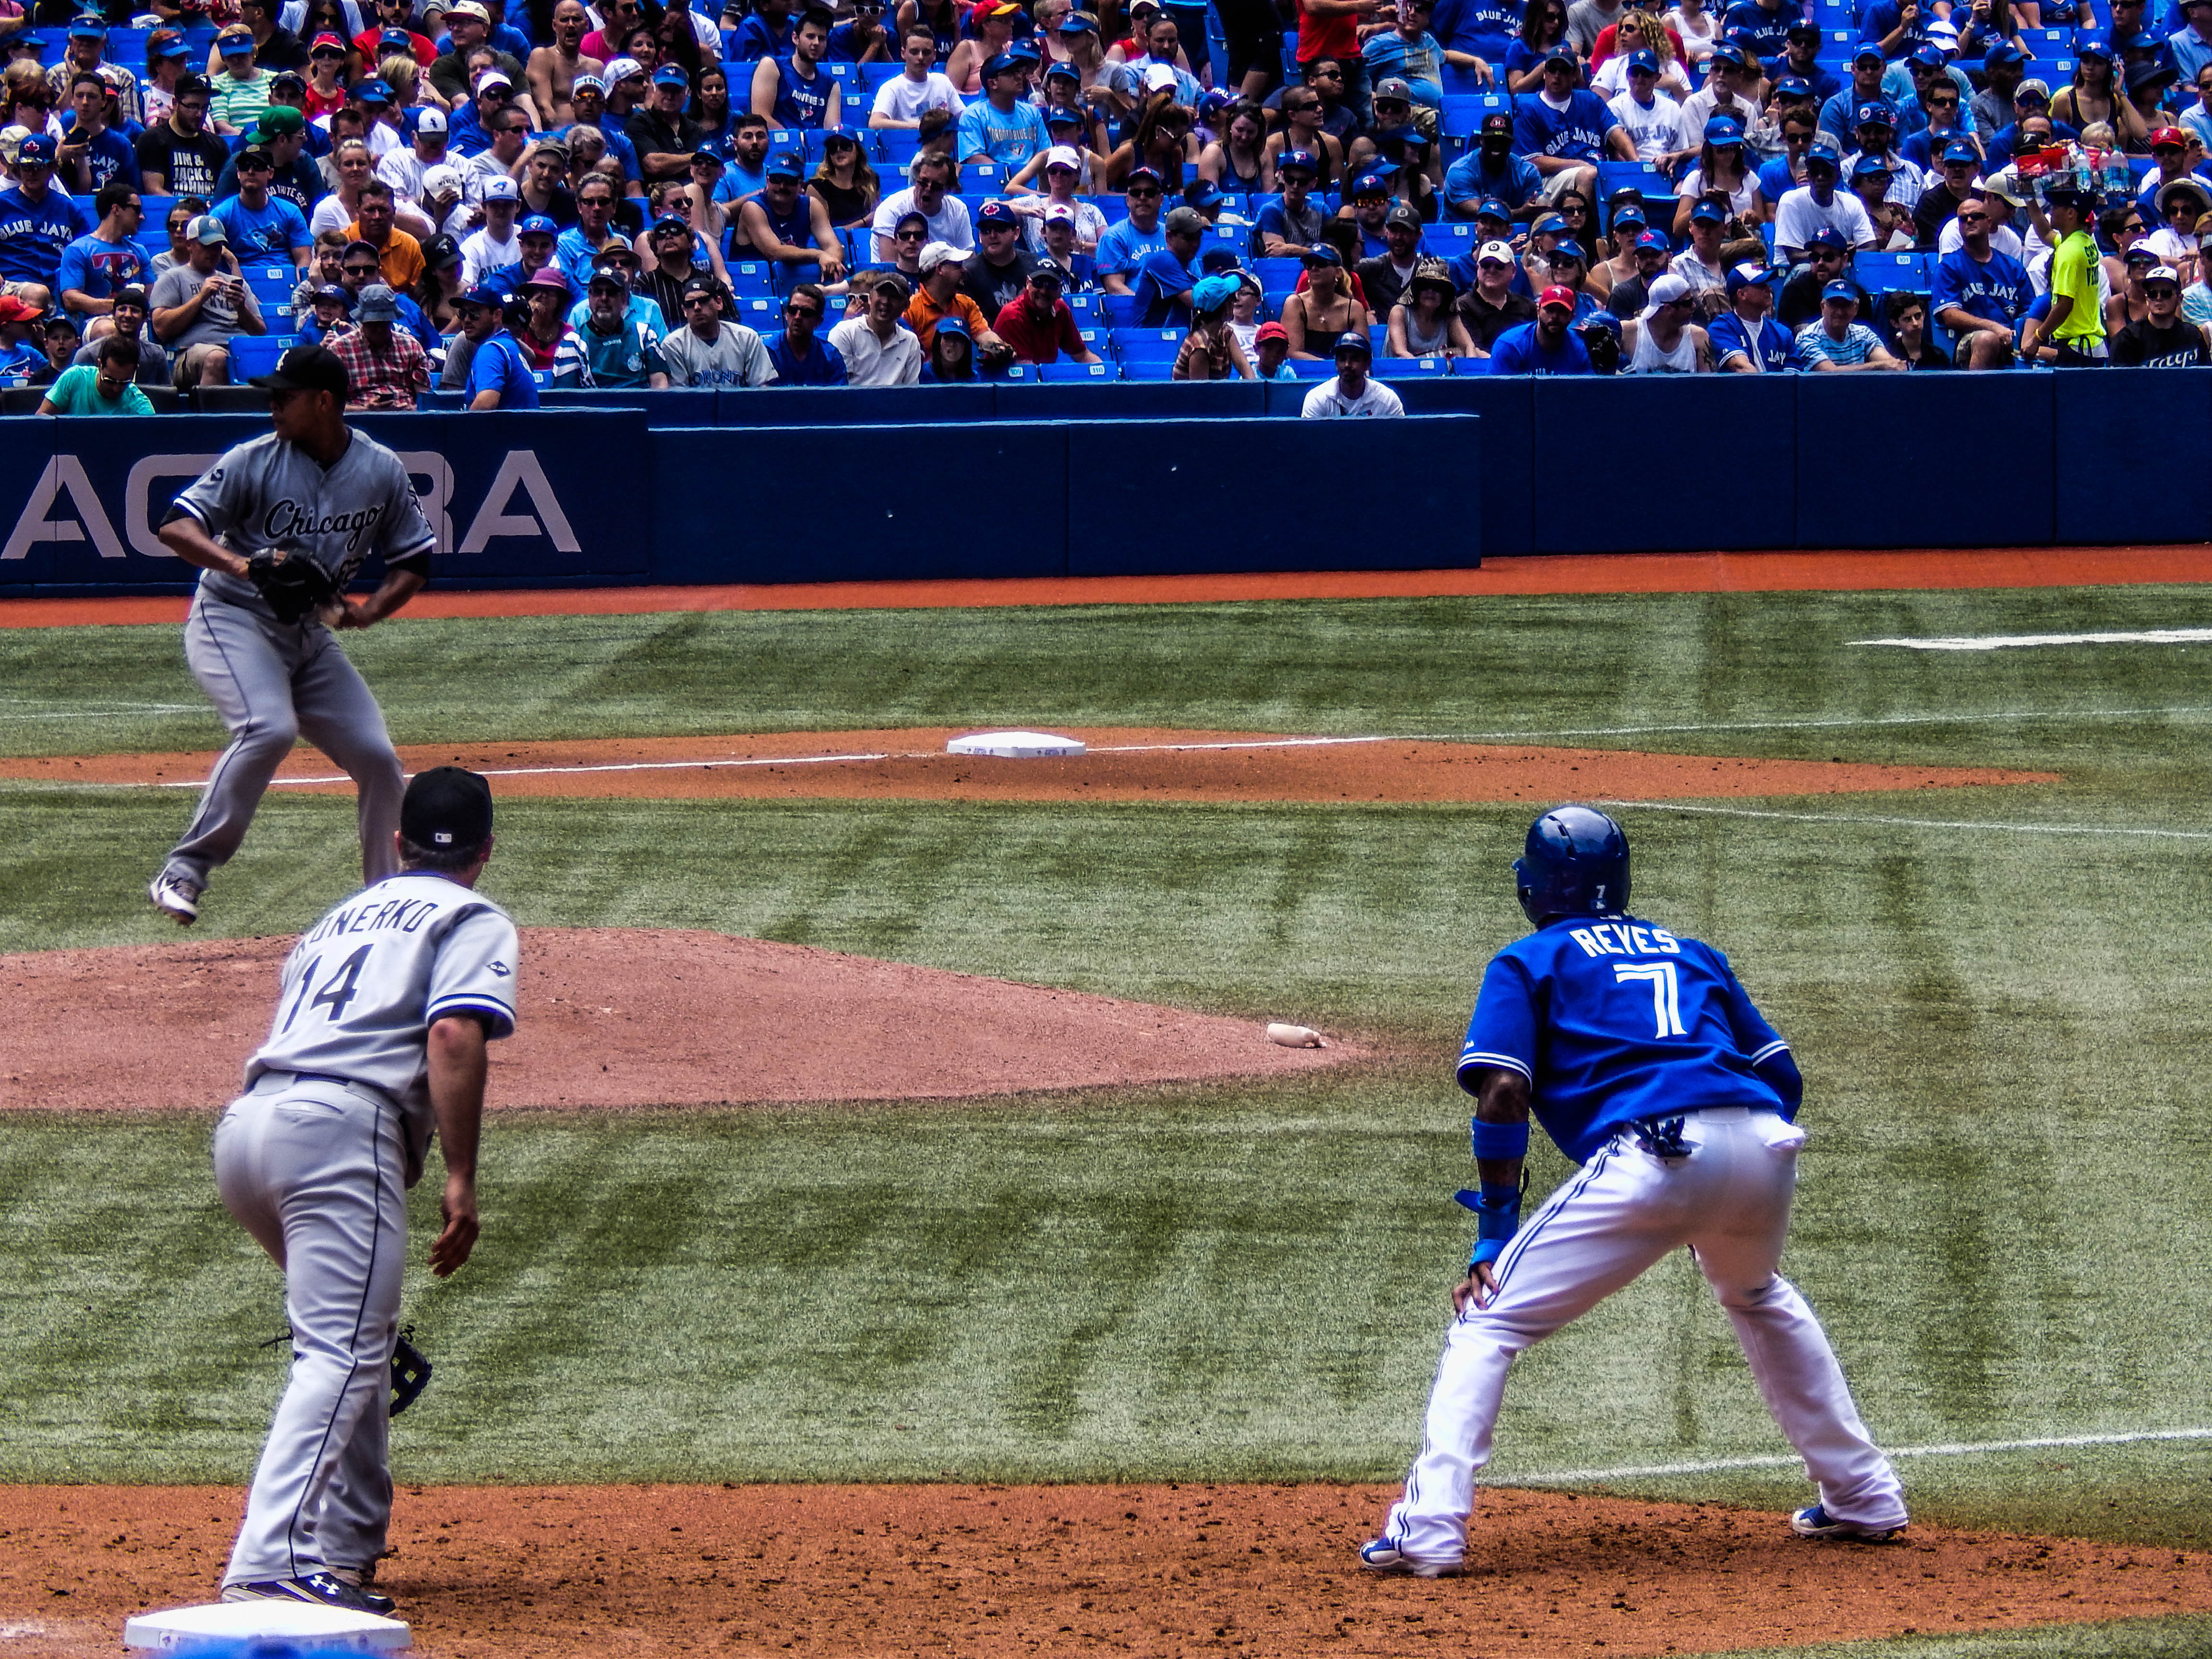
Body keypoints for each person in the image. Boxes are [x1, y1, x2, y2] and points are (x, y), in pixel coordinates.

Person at [1359, 805, 1908, 1581]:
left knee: (1486, 1320)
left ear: (1531, 886)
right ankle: (1862, 1495)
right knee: (1756, 1292)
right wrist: (1726, 1189)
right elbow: (1781, 1075)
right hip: (1762, 1141)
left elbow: (1503, 1093)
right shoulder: (1691, 951)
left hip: (1658, 1152)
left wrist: (1493, 1233)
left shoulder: (1526, 961)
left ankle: (1428, 1530)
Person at [207, 762, 516, 1616]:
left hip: (247, 1131)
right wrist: (461, 1176)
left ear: (398, 842)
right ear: (486, 850)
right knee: (343, 1353)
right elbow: (452, 1032)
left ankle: (343, 1547)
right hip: (340, 1135)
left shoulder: (337, 918)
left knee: (355, 1341)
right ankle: (268, 1562)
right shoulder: (470, 916)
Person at [147, 343, 434, 928]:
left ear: (324, 402)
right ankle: (184, 869)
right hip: (232, 619)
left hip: (307, 635)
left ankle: (386, 901)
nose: (273, 405)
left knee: (378, 759)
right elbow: (175, 526)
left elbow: (415, 561)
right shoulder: (253, 459)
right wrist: (242, 565)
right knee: (268, 727)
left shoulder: (380, 468)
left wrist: (368, 613)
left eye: (285, 396)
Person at [151, 214, 269, 389]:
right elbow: (161, 328)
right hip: (192, 353)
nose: (213, 252)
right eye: (206, 246)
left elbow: (260, 333)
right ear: (189, 245)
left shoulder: (236, 283)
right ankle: (210, 408)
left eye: (217, 246)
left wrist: (241, 308)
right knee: (217, 359)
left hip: (238, 349)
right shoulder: (173, 277)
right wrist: (200, 298)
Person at [1929, 192, 2027, 369]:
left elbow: (2029, 312)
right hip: (1970, 341)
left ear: (1989, 222)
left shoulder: (2012, 267)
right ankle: (1974, 388)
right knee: (1987, 339)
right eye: (1963, 219)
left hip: (2012, 339)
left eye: (1976, 216)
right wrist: (1993, 328)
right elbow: (1950, 315)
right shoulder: (1949, 266)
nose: (1969, 221)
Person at [0, 134, 88, 313]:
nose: (31, 173)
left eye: (38, 167)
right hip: (11, 286)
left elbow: (87, 250)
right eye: (26, 167)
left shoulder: (68, 208)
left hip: (59, 290)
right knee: (38, 293)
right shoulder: (3, 203)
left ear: (52, 168)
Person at [326, 280, 431, 406]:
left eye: (384, 323)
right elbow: (330, 406)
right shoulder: (339, 349)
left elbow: (425, 400)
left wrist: (412, 410)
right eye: (373, 324)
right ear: (362, 320)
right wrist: (366, 410)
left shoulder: (411, 347)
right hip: (358, 414)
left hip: (406, 412)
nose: (379, 329)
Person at [658, 273, 777, 384]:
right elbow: (679, 395)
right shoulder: (673, 344)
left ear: (719, 303)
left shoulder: (747, 338)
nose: (697, 307)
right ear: (684, 311)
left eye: (703, 301)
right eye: (690, 304)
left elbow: (762, 387)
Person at [867, 148, 970, 261]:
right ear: (916, 180)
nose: (928, 189)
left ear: (947, 189)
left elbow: (968, 257)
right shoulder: (891, 208)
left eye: (936, 186)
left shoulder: (958, 210)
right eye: (923, 182)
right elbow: (890, 264)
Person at [2041, 184, 2105, 363]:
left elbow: (2064, 304)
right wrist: (2029, 200)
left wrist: (2038, 337)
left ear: (2070, 213)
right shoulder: (2083, 239)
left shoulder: (2069, 250)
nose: (2051, 212)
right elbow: (2045, 233)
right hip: (2091, 344)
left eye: (2055, 207)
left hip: (2078, 347)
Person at [992, 257, 1098, 364]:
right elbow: (1027, 370)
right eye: (1038, 283)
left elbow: (1083, 355)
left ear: (1060, 289)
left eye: (1051, 285)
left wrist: (1106, 371)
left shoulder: (1061, 310)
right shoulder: (1013, 317)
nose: (1044, 291)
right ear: (1028, 283)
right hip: (1013, 374)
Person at [828, 267, 923, 383]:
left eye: (894, 296)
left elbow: (912, 389)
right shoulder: (844, 333)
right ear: (871, 298)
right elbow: (839, 387)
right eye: (881, 294)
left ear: (906, 305)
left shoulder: (910, 341)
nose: (885, 302)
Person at [454, 281, 541, 404]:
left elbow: (485, 404)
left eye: (475, 313)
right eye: (463, 313)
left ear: (497, 315)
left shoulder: (492, 350)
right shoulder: (508, 344)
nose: (467, 320)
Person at [2111, 262, 2212, 363]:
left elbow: (2205, 371)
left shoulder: (2193, 335)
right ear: (2147, 299)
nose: (2158, 298)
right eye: (2153, 294)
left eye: (2166, 293)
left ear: (2180, 299)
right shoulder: (2128, 338)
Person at [73, 283, 171, 383]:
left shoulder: (156, 356)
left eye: (134, 311)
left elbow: (166, 391)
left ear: (146, 317)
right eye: (122, 309)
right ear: (113, 314)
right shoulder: (89, 354)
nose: (128, 315)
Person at [36, 331, 156, 412]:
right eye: (110, 380)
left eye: (125, 382)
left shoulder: (141, 407)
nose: (116, 389)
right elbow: (42, 416)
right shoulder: (74, 377)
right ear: (99, 365)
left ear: (135, 371)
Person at [871, 23, 963, 128]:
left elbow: (963, 117)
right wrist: (919, 127)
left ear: (934, 55)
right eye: (914, 52)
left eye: (926, 53)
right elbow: (875, 123)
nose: (921, 57)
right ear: (903, 53)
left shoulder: (943, 81)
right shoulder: (891, 88)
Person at [1486, 284, 1596, 372]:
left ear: (1572, 317)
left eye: (1562, 311)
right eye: (1550, 310)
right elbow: (1496, 391)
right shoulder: (1510, 346)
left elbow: (1587, 391)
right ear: (1538, 311)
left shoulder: (1579, 348)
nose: (1555, 316)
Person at [1709, 259, 1796, 370]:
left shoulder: (1783, 333)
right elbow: (1741, 368)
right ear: (1742, 295)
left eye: (1767, 284)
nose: (1769, 289)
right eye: (1761, 286)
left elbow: (1793, 376)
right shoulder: (1722, 328)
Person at [1796, 278, 1903, 368]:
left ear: (1856, 308)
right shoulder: (1808, 337)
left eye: (1845, 305)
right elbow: (1830, 374)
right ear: (1823, 307)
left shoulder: (1864, 334)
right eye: (1834, 305)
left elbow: (1891, 364)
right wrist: (1879, 366)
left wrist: (1888, 365)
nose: (1840, 312)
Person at [1618, 268, 1710, 370]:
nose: (1694, 306)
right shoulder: (1626, 333)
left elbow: (1709, 379)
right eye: (1688, 303)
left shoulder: (1699, 337)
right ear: (1668, 309)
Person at [1299, 325, 1403, 413]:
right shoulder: (1317, 398)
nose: (1347, 365)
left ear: (1367, 364)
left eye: (1355, 359)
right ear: (1336, 363)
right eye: (1342, 359)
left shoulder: (1388, 399)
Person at [1390, 256, 1477, 357]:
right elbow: (1400, 352)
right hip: (1405, 366)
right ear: (1416, 290)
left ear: (1445, 293)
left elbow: (1469, 346)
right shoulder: (1400, 312)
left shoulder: (1449, 317)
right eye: (1424, 285)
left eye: (1437, 287)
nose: (1430, 292)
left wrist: (1471, 363)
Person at [1457, 237, 1537, 346]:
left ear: (1513, 271)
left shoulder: (1528, 307)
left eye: (1499, 266)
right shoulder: (1462, 307)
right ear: (1478, 268)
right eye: (1486, 265)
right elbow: (1475, 350)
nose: (1492, 270)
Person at [765, 279, 847, 382]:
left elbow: (840, 391)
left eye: (807, 313)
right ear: (786, 314)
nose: (798, 317)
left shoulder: (830, 355)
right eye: (793, 310)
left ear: (819, 321)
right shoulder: (769, 352)